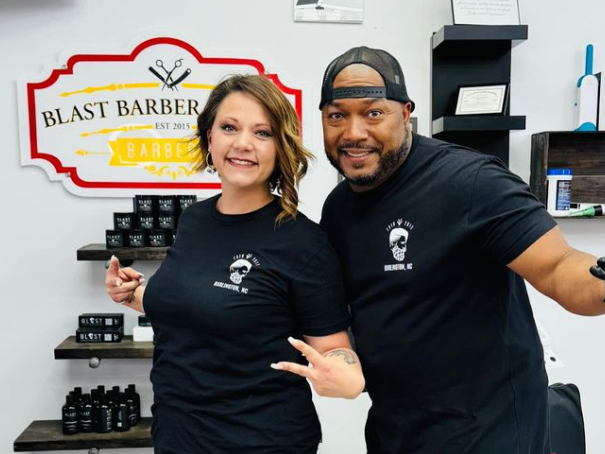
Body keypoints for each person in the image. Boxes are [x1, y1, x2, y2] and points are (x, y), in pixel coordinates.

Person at [314, 46, 605, 454]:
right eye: (337, 116)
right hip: (396, 430)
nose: (354, 132)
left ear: (406, 112)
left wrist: (601, 285)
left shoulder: (471, 183)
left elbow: (559, 266)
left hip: (489, 434)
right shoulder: (339, 208)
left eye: (373, 112)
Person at [105, 74, 365, 454]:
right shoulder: (193, 219)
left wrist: (346, 379)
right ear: (209, 137)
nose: (242, 143)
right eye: (229, 127)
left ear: (280, 148)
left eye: (262, 133)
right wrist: (136, 294)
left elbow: (334, 351)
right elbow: (206, 304)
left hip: (260, 442)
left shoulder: (302, 242)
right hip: (176, 436)